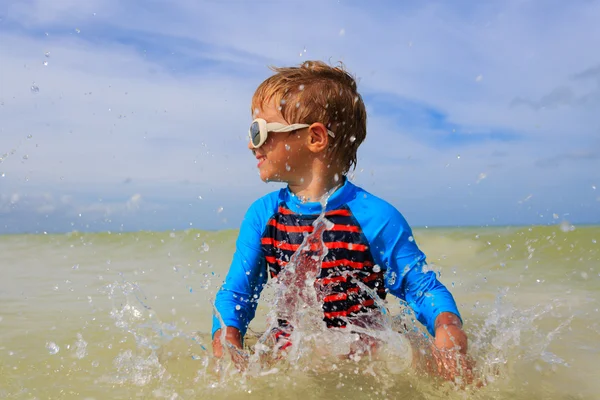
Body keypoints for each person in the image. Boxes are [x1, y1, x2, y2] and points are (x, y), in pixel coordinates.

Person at [212, 60, 470, 381]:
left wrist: (447, 327)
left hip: (364, 365)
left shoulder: (375, 217)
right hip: (293, 363)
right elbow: (237, 293)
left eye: (260, 131)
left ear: (315, 138)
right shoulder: (263, 215)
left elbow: (421, 287)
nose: (252, 144)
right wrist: (227, 342)